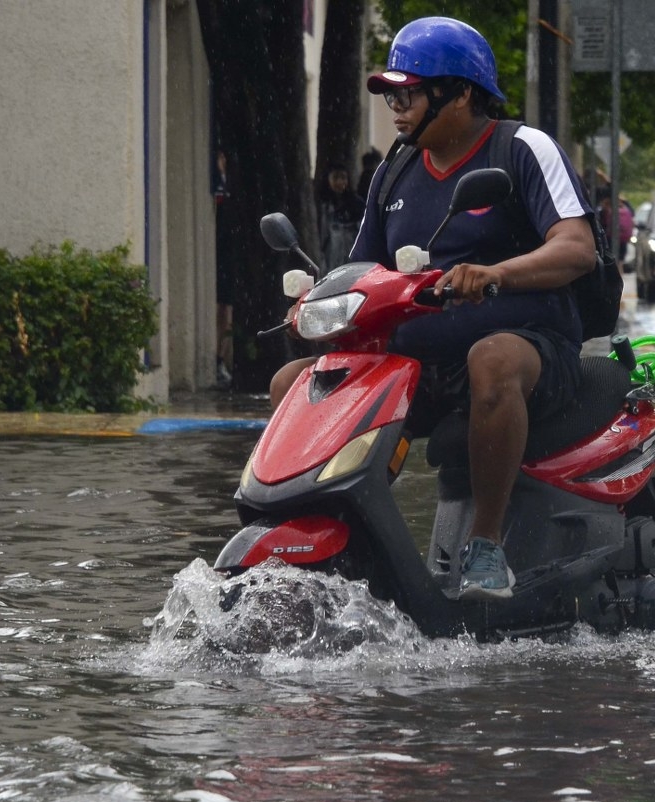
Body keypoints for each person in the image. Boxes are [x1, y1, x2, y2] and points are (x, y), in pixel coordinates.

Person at [269, 16, 596, 602]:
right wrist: (322, 304)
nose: (397, 107)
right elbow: (361, 273)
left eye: (409, 93)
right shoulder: (392, 169)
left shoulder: (521, 147)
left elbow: (577, 248)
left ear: (461, 92)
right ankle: (334, 544)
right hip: (419, 358)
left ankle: (486, 546)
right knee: (297, 383)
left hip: (529, 345)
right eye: (392, 94)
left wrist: (494, 274)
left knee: (490, 358)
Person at [316, 163, 365, 275]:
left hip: (353, 257)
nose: (339, 182)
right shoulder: (324, 204)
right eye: (335, 178)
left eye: (343, 178)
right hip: (331, 258)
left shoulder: (356, 203)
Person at [213, 149, 235, 388]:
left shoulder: (233, 188)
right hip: (219, 253)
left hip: (229, 255)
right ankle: (218, 357)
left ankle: (221, 357)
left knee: (226, 312)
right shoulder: (217, 188)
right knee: (220, 309)